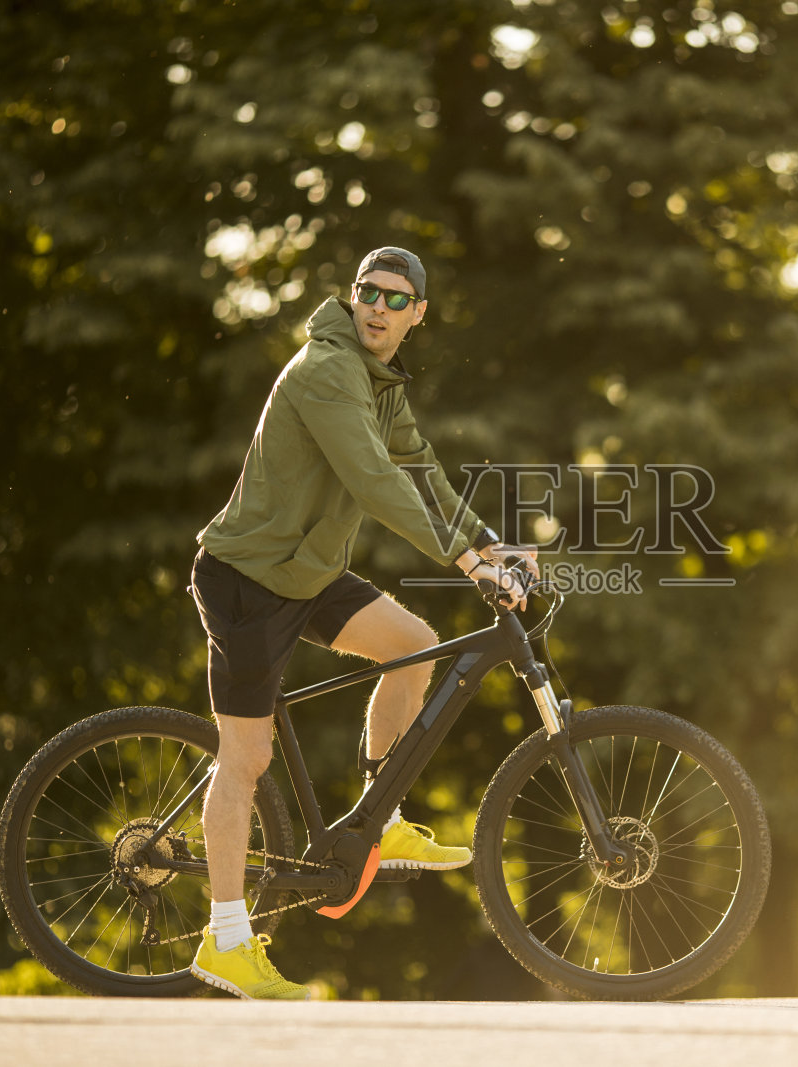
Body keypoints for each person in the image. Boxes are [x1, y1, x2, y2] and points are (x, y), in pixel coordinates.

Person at [185, 246, 527, 1000]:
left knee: (413, 645)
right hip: (247, 579)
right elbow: (374, 482)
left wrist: (484, 541)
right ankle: (225, 937)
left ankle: (383, 814)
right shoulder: (328, 369)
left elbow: (418, 464)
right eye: (368, 292)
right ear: (353, 297)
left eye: (395, 299)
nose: (378, 306)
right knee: (246, 758)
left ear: (418, 315)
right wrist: (468, 566)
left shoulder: (380, 382)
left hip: (304, 573)